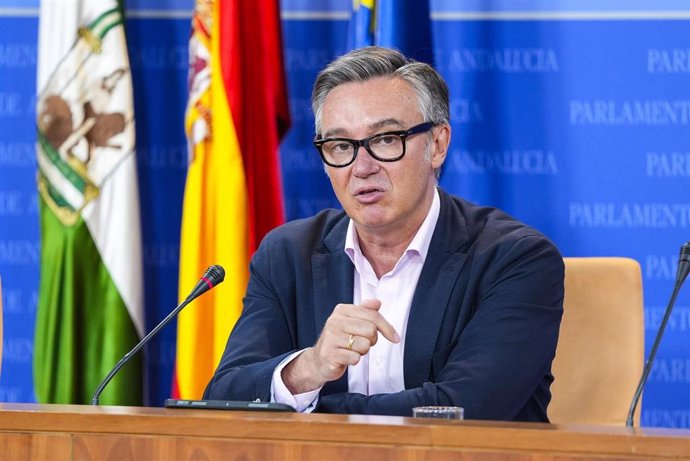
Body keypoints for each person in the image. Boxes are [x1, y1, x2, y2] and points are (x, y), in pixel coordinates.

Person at [204, 46, 564, 421]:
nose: (361, 167)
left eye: (386, 139)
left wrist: (311, 410)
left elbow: (465, 410)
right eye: (341, 146)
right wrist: (308, 368)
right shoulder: (288, 254)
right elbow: (224, 397)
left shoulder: (514, 258)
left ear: (437, 145)